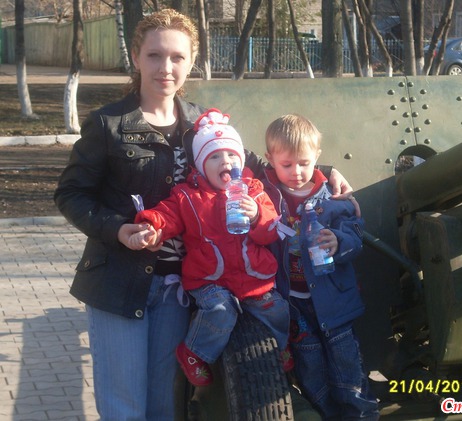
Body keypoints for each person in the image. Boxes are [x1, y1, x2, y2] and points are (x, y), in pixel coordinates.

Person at [54, 8, 352, 420]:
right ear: (136, 57)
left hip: (179, 287)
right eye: (155, 55)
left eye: (177, 57)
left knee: (165, 405)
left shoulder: (202, 124)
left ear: (191, 61)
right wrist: (118, 229)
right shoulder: (109, 124)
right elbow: (71, 194)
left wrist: (326, 173)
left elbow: (261, 167)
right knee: (125, 407)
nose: (166, 67)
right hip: (119, 280)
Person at [130, 108, 290, 387]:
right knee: (220, 311)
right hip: (210, 278)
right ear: (201, 165)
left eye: (231, 155)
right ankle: (194, 352)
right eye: (214, 157)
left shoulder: (253, 192)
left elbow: (270, 233)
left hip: (252, 275)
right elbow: (168, 215)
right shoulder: (188, 196)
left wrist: (256, 216)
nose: (225, 161)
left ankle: (281, 345)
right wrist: (152, 224)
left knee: (276, 308)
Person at [261, 114, 380, 420]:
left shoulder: (334, 199)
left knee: (348, 371)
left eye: (304, 163)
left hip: (332, 301)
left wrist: (339, 242)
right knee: (310, 370)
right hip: (293, 304)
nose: (296, 172)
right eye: (287, 164)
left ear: (317, 157)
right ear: (270, 159)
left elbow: (355, 236)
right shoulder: (265, 195)